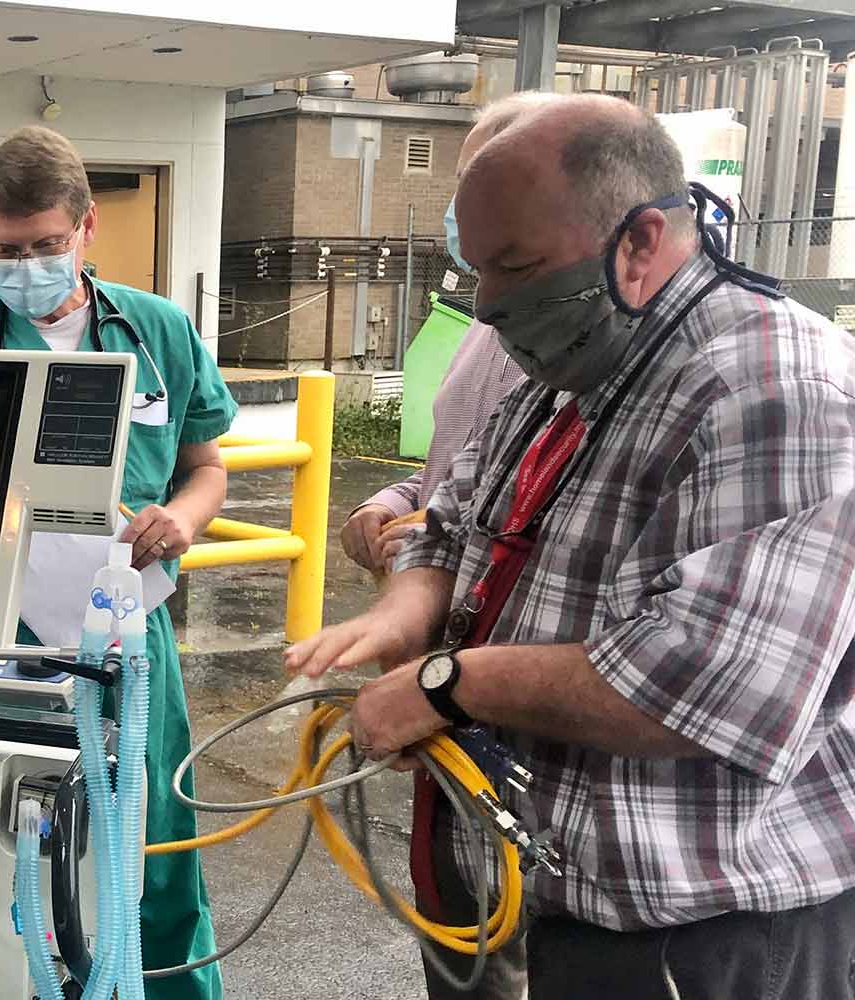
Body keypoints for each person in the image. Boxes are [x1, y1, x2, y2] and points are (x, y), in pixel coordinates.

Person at [287, 94, 855, 998]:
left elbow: (705, 681)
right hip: (535, 901)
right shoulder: (585, 360)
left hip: (693, 937)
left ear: (641, 241)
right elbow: (455, 512)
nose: (490, 305)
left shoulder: (774, 387)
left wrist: (448, 685)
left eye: (515, 266)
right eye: (478, 270)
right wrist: (403, 616)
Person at [0, 126, 236, 1000]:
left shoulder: (156, 330)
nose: (26, 268)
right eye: (4, 251)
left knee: (154, 843)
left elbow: (206, 465)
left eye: (46, 246)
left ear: (87, 227)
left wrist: (184, 517)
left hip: (130, 636)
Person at [338, 92, 551, 1000]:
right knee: (461, 934)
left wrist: (437, 679)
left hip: (543, 741)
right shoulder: (494, 331)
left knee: (520, 946)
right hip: (468, 723)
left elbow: (702, 672)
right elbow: (458, 486)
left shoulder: (757, 379)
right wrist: (395, 509)